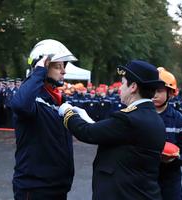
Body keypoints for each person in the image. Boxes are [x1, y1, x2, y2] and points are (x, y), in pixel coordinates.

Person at [59, 60, 166, 200]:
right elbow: (112, 134)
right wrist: (86, 118)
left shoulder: (130, 118)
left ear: (133, 87)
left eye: (123, 83)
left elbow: (87, 133)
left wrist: (67, 112)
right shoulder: (150, 116)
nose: (120, 88)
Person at [10, 39, 77, 199]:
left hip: (58, 186)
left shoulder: (56, 99)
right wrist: (38, 71)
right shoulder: (32, 99)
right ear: (43, 67)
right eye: (57, 66)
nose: (63, 72)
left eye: (63, 66)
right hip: (35, 188)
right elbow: (20, 105)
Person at [152, 67, 182, 200]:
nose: (154, 95)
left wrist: (174, 158)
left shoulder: (180, 121)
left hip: (169, 186)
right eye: (151, 90)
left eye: (159, 91)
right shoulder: (138, 117)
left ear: (171, 93)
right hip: (143, 183)